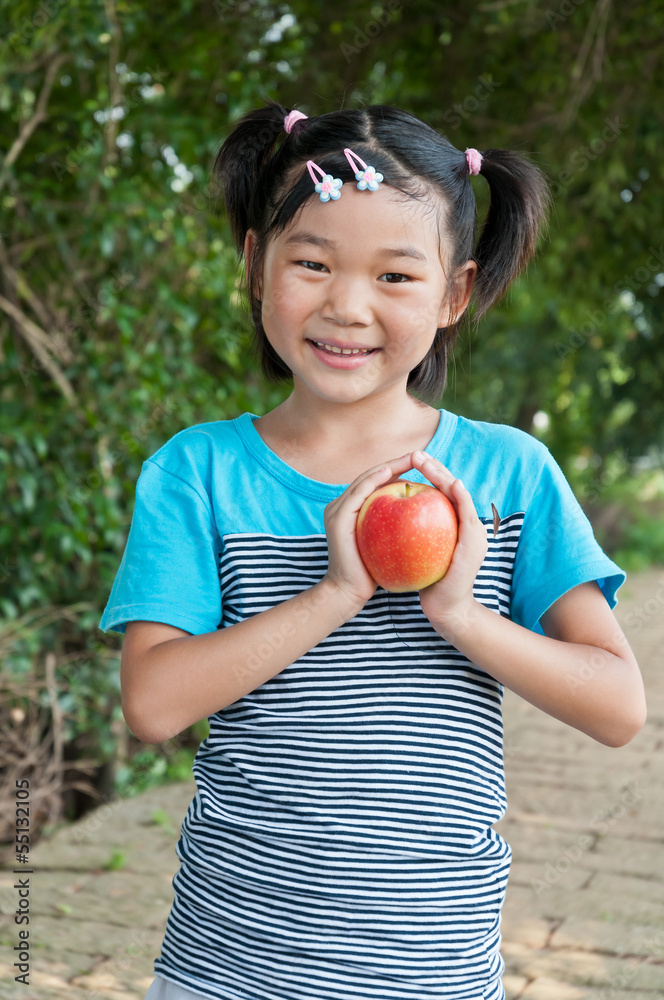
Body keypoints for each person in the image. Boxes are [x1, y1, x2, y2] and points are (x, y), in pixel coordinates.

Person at [99, 99, 646, 1000]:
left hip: (434, 971)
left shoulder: (506, 475)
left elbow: (618, 705)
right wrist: (335, 592)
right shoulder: (198, 472)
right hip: (227, 971)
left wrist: (460, 613)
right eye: (311, 262)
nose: (346, 305)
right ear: (254, 262)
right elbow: (155, 704)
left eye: (396, 277)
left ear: (454, 295)